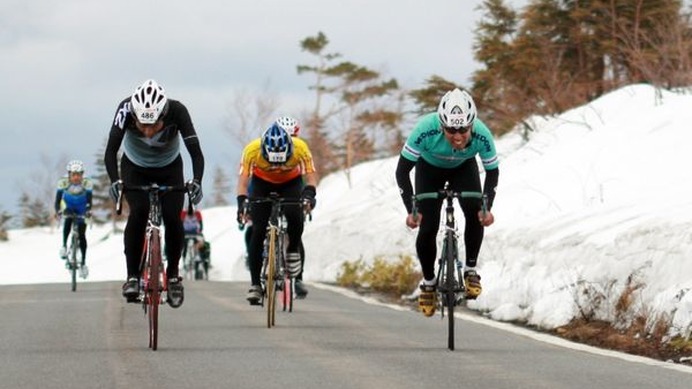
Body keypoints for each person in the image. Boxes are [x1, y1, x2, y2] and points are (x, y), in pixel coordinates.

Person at [395, 88, 499, 317]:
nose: (458, 136)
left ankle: (470, 271)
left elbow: (492, 172)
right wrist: (411, 210)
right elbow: (402, 172)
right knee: (428, 225)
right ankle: (429, 283)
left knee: (475, 213)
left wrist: (486, 207)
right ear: (441, 125)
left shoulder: (482, 133)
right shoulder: (425, 129)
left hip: (464, 168)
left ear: (472, 124)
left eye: (463, 129)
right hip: (428, 170)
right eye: (451, 130)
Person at [104, 79, 205, 308]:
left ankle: (173, 276)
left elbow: (196, 153)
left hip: (169, 168)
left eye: (154, 126)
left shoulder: (178, 111)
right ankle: (132, 276)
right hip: (135, 168)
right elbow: (111, 152)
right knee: (138, 213)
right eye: (142, 126)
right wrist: (115, 181)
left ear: (163, 115)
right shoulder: (125, 109)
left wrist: (197, 181)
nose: (148, 133)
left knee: (172, 216)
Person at [237, 122, 317, 305]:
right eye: (272, 161)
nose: (276, 166)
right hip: (261, 183)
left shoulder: (300, 148)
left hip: (291, 182)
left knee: (295, 214)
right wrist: (241, 203)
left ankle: (293, 248)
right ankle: (256, 285)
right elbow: (242, 183)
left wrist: (309, 194)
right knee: (257, 230)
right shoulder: (252, 150)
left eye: (281, 160)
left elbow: (311, 177)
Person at [54, 160, 93, 278]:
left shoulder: (87, 183)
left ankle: (83, 263)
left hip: (82, 208)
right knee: (68, 220)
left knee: (82, 235)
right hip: (68, 206)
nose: (76, 177)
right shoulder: (63, 182)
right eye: (73, 175)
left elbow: (89, 201)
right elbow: (57, 200)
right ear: (69, 174)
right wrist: (58, 211)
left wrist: (88, 211)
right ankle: (64, 246)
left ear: (82, 174)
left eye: (79, 175)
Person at [180, 202, 211, 274]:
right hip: (185, 233)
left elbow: (201, 225)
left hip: (195, 233)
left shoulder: (197, 214)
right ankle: (184, 260)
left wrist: (199, 232)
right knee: (184, 245)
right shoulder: (183, 214)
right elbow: (180, 225)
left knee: (200, 243)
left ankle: (198, 257)